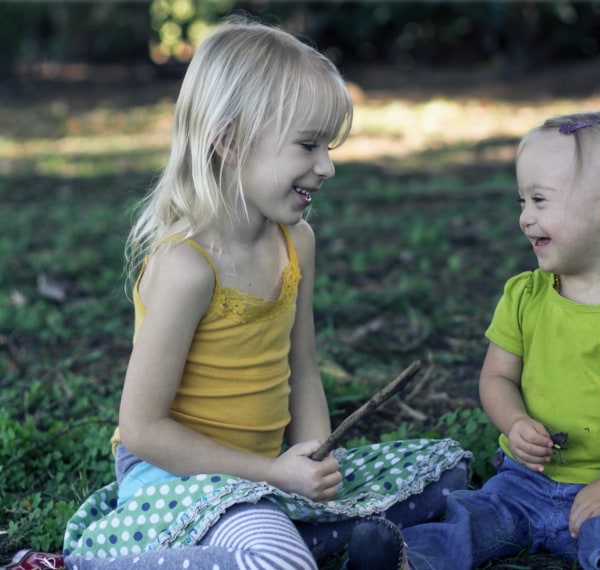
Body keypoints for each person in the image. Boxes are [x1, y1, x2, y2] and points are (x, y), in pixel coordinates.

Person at [7, 16, 470, 570]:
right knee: (279, 558)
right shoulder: (187, 266)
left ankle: (296, 543)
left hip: (267, 472)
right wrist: (274, 474)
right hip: (175, 479)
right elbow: (142, 430)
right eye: (307, 145)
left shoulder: (297, 242)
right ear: (228, 141)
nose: (326, 166)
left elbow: (303, 369)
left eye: (328, 146)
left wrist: (314, 461)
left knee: (448, 472)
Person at [346, 111, 600, 570]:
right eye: (522, 202)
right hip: (523, 483)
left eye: (539, 200)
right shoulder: (524, 295)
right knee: (472, 517)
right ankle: (405, 561)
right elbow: (496, 377)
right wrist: (514, 422)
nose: (525, 218)